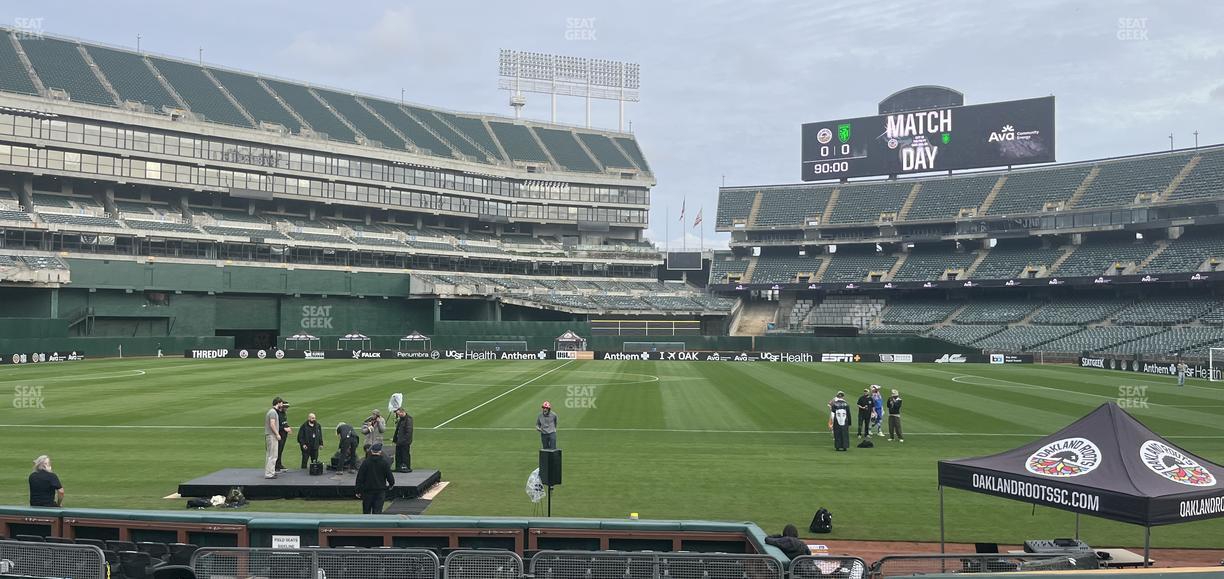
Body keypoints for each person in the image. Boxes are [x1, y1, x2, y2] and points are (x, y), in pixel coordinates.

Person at [355, 443, 395, 514]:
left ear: (371, 451)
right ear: (380, 451)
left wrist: (358, 490)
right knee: (377, 512)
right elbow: (390, 476)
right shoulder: (384, 463)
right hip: (380, 491)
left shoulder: (366, 463)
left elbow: (360, 477)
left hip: (367, 491)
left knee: (366, 512)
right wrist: (391, 484)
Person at [265, 397, 288, 479]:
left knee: (272, 455)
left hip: (271, 435)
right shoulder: (273, 412)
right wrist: (277, 434)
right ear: (278, 403)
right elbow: (272, 424)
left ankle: (271, 472)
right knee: (272, 455)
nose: (282, 405)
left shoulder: (272, 412)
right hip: (272, 435)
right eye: (281, 403)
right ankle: (269, 473)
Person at [392, 406, 414, 473]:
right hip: (399, 441)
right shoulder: (401, 419)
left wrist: (403, 440)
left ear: (402, 412)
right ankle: (398, 467)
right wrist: (395, 439)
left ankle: (406, 467)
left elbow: (409, 432)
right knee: (398, 455)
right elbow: (398, 430)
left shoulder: (408, 419)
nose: (398, 415)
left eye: (399, 414)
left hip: (405, 442)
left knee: (405, 454)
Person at [275, 403, 292, 472]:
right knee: (278, 451)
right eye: (285, 407)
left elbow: (284, 423)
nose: (286, 408)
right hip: (280, 435)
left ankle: (279, 464)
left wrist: (288, 427)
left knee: (281, 450)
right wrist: (284, 428)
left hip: (284, 435)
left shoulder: (284, 413)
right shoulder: (278, 414)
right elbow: (276, 425)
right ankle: (276, 466)